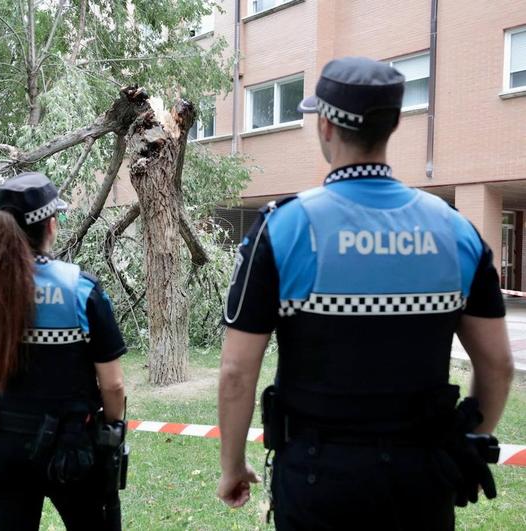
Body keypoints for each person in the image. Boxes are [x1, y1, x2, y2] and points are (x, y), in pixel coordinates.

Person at [216, 57, 515, 529]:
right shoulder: (455, 231)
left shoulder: (284, 227)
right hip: (423, 477)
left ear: (326, 126)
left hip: (317, 478)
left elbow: (236, 371)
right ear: (394, 123)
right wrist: (471, 440)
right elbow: (497, 365)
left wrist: (232, 466)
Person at [0, 172, 128, 530]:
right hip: (73, 449)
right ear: (51, 225)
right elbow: (113, 385)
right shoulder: (80, 290)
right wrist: (112, 429)